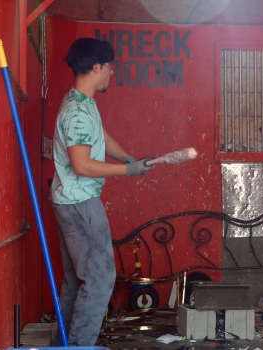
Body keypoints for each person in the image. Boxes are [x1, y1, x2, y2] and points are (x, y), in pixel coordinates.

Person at [50, 37, 154, 346]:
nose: (112, 73)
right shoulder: (77, 111)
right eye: (110, 67)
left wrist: (126, 157)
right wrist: (127, 172)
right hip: (81, 202)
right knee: (99, 280)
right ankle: (79, 345)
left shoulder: (83, 103)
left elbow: (101, 136)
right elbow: (82, 165)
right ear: (96, 67)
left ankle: (63, 344)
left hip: (69, 200)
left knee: (76, 281)